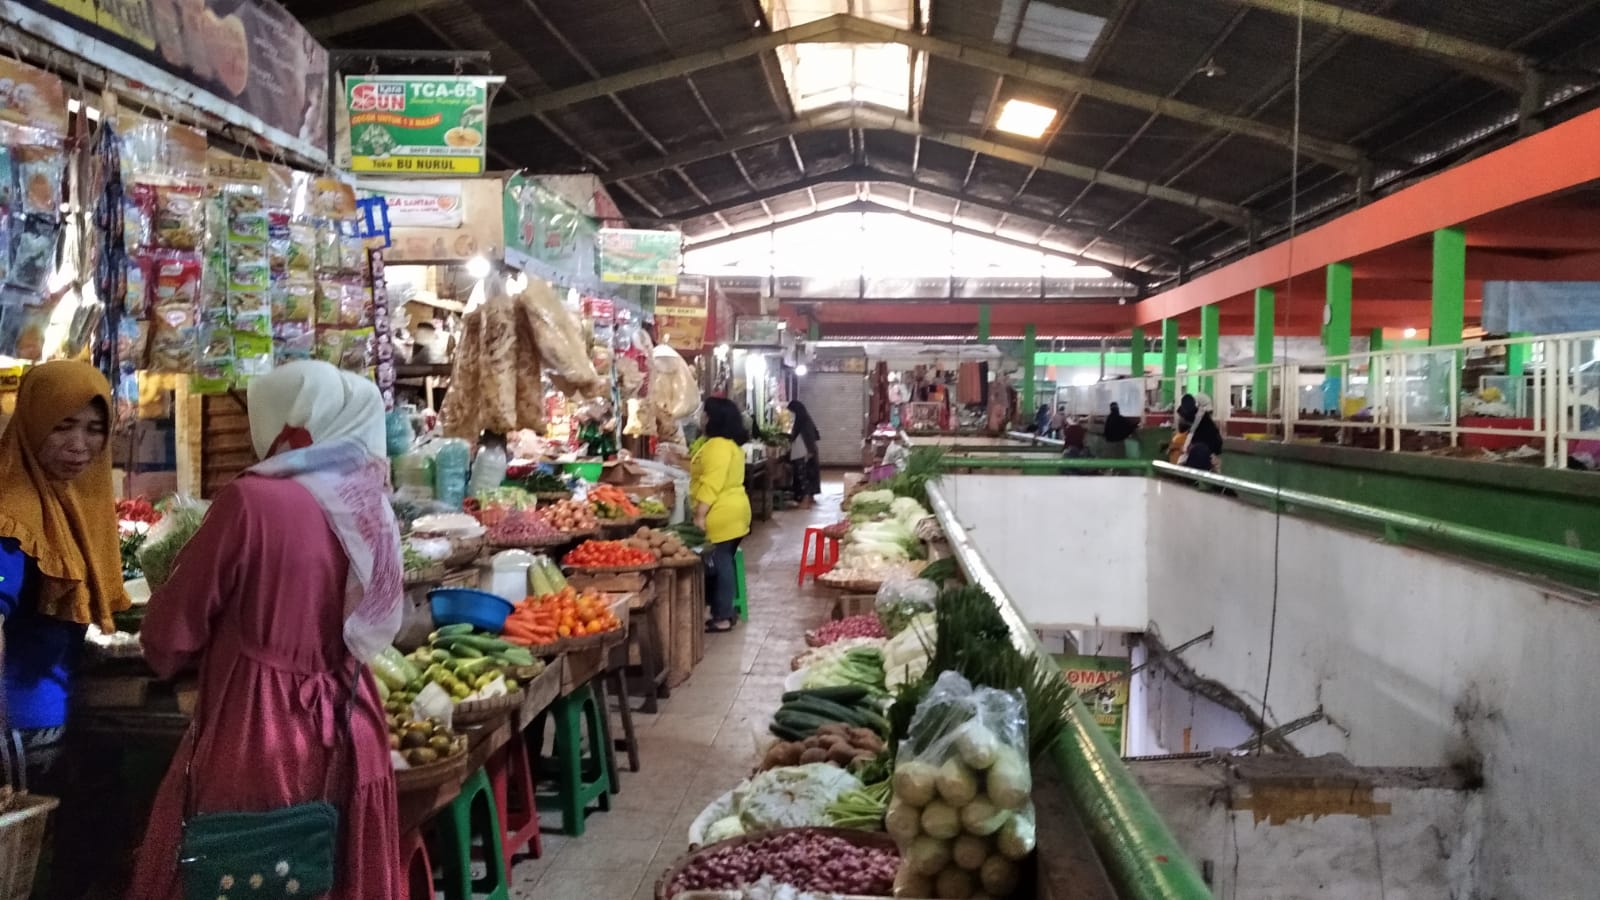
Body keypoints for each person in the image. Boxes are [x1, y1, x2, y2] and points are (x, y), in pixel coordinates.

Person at [128, 361, 403, 900]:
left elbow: (170, 633)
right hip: (353, 726)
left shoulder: (253, 501)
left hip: (262, 733)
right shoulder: (370, 503)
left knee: (243, 871)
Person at [0, 361, 128, 785]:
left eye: (94, 428)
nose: (80, 444)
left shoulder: (68, 503)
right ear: (33, 422)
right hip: (18, 727)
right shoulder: (12, 517)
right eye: (63, 426)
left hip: (47, 713)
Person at [693, 397, 752, 634]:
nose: (701, 416)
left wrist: (700, 514)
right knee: (724, 559)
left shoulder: (717, 445)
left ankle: (723, 616)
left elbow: (712, 483)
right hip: (735, 510)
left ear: (711, 418)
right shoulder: (729, 445)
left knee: (721, 563)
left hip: (721, 512)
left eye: (703, 413)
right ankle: (725, 610)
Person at [787, 400, 821, 509]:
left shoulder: (802, 421)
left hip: (802, 452)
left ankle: (805, 501)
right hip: (806, 451)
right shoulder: (806, 419)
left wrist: (810, 452)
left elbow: (807, 437)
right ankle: (810, 498)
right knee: (809, 474)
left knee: (803, 476)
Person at [1182, 394, 1224, 471]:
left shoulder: (1202, 419)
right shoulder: (1201, 419)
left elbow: (1193, 433)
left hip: (1210, 448)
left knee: (1213, 468)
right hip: (1210, 448)